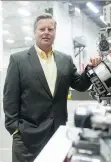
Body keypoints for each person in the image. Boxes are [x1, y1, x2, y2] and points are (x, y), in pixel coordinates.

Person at [3, 13, 101, 162]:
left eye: (50, 29)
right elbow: (10, 98)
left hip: (57, 135)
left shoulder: (65, 60)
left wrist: (90, 68)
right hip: (27, 140)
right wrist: (15, 130)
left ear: (55, 32)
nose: (46, 32)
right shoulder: (18, 60)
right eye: (42, 29)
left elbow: (80, 85)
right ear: (35, 32)